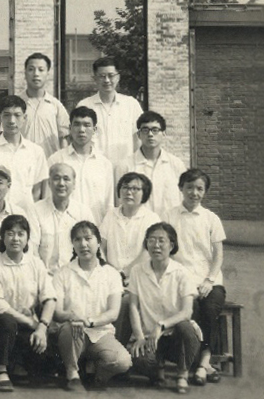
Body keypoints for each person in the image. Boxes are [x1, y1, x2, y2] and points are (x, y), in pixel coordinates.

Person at [162, 169, 226, 385]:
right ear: (181, 188)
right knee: (189, 312)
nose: (194, 193)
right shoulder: (169, 216)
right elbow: (166, 251)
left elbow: (218, 255)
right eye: (189, 187)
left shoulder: (211, 218)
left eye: (200, 189)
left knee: (208, 310)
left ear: (205, 192)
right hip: (180, 280)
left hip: (209, 281)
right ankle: (193, 362)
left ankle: (202, 363)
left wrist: (209, 280)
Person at [52, 221, 131, 393]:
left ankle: (97, 376)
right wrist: (73, 317)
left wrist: (90, 321)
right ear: (73, 244)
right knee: (70, 328)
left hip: (100, 333)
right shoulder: (63, 273)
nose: (83, 244)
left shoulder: (111, 274)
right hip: (71, 333)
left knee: (122, 361)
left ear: (99, 242)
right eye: (77, 239)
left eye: (88, 238)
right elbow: (57, 312)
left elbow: (113, 313)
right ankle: (72, 374)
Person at [127, 222, 201, 395]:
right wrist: (139, 337)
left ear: (171, 245)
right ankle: (157, 369)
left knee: (185, 327)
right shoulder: (137, 271)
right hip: (150, 337)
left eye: (161, 240)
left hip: (177, 337)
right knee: (139, 359)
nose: (156, 245)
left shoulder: (182, 273)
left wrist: (161, 325)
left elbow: (187, 312)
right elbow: (133, 306)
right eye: (151, 240)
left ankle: (182, 374)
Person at [0, 215, 56, 392]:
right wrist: (30, 322)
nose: (15, 238)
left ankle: (18, 364)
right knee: (6, 322)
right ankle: (0, 370)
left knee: (44, 363)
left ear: (27, 238)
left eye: (20, 234)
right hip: (1, 325)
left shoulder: (36, 263)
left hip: (29, 326)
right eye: (10, 233)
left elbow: (49, 298)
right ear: (2, 237)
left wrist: (42, 327)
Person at [100, 172, 160, 344]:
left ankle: (116, 347)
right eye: (125, 187)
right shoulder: (111, 215)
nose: (129, 192)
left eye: (135, 189)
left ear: (144, 193)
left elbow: (148, 252)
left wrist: (126, 273)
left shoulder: (151, 219)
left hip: (139, 278)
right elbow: (101, 247)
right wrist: (111, 271)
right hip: (111, 275)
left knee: (126, 302)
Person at [47, 106, 114, 224]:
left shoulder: (104, 164)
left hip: (95, 227)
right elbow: (48, 198)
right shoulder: (56, 160)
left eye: (87, 125)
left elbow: (109, 204)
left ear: (94, 130)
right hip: (64, 226)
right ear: (70, 128)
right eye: (77, 124)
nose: (81, 130)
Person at [0, 94, 48, 208]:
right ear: (0, 117)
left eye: (17, 115)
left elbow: (38, 189)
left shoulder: (36, 151)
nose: (12, 121)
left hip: (26, 213)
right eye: (7, 115)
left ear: (24, 118)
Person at [114, 111, 187, 215]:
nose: (150, 134)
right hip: (138, 224)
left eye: (155, 130)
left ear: (164, 133)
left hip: (169, 223)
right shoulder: (125, 166)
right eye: (145, 130)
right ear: (138, 134)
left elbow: (184, 200)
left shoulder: (176, 165)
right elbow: (120, 204)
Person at [76, 56, 143, 167]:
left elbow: (138, 139)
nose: (107, 80)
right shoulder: (85, 105)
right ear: (95, 79)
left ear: (118, 77)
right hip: (94, 167)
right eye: (102, 76)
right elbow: (78, 139)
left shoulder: (131, 104)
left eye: (111, 76)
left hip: (125, 168)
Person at [32, 163, 94, 275]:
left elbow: (91, 249)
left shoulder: (83, 212)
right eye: (56, 178)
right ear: (49, 183)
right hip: (45, 277)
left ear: (74, 184)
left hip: (76, 276)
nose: (61, 183)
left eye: (66, 179)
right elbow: (32, 251)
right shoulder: (35, 211)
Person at [22, 53, 69, 158]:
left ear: (48, 74)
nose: (36, 74)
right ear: (25, 73)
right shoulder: (16, 104)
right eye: (31, 69)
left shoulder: (56, 105)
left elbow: (64, 137)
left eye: (41, 70)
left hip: (49, 162)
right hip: (23, 162)